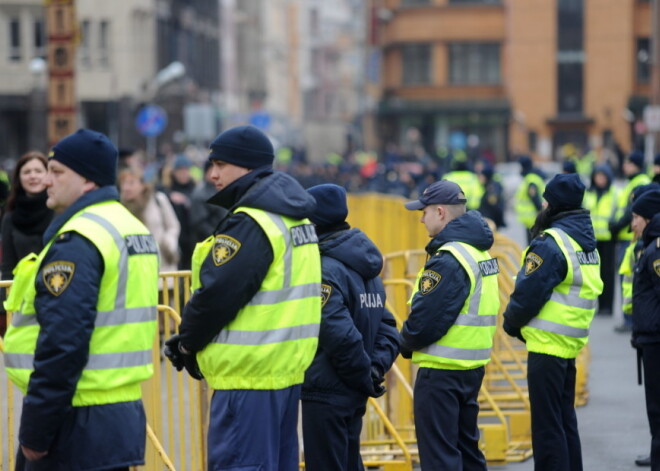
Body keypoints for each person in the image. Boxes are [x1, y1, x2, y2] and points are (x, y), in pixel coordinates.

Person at [164, 125, 322, 471]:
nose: (212, 174)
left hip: (246, 379)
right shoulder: (295, 217)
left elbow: (217, 295)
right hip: (282, 373)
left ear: (248, 167)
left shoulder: (251, 221)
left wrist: (188, 343)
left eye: (221, 164)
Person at [2, 129, 160, 470]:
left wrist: (36, 430)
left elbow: (63, 341)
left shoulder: (79, 238)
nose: (46, 180)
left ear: (87, 180)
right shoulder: (130, 227)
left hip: (75, 419)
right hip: (118, 413)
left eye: (57, 172)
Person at [503, 173, 603, 471]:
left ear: (554, 204)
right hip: (568, 344)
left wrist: (510, 324)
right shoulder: (584, 240)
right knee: (564, 421)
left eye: (546, 198)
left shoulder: (551, 242)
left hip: (547, 346)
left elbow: (528, 293)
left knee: (547, 429)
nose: (542, 203)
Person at [400, 180, 500, 470]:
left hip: (441, 372)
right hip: (470, 368)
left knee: (440, 457)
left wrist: (403, 342)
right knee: (467, 452)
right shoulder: (478, 252)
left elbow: (427, 320)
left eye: (425, 212)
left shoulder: (450, 258)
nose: (421, 218)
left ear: (441, 212)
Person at [301, 183, 400, 471]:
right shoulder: (364, 264)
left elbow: (338, 334)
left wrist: (363, 375)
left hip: (326, 389)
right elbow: (388, 328)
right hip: (354, 386)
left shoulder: (323, 268)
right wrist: (373, 369)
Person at [0, 151, 53, 336]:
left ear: (48, 175)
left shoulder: (60, 211)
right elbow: (7, 265)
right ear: (18, 178)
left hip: (55, 293)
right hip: (23, 303)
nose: (33, 176)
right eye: (27, 171)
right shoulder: (10, 217)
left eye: (38, 170)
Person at [630, 189, 660, 470]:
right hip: (649, 337)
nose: (633, 224)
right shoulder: (650, 247)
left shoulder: (656, 251)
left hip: (656, 340)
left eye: (637, 217)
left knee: (658, 408)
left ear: (649, 219)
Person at [610, 151, 651, 332]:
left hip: (631, 237)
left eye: (628, 163)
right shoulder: (633, 182)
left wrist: (617, 226)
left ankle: (630, 319)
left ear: (636, 164)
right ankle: (629, 318)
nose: (624, 166)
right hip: (628, 237)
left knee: (629, 278)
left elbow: (631, 212)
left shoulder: (639, 183)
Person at [119, 166, 180, 275]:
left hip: (164, 267)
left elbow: (173, 226)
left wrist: (169, 242)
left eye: (131, 183)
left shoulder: (158, 200)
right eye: (123, 184)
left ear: (142, 185)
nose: (126, 188)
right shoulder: (120, 208)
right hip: (136, 270)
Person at [582, 165, 618, 315]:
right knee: (593, 273)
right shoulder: (589, 194)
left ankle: (607, 306)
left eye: (603, 176)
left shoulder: (613, 194)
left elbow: (618, 213)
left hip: (608, 239)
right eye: (597, 176)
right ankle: (597, 304)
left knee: (608, 274)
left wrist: (613, 227)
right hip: (592, 239)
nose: (600, 179)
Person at [189, 160, 227, 243]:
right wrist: (218, 237)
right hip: (209, 242)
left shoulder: (220, 189)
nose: (215, 173)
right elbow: (200, 224)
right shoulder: (200, 194)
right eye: (212, 169)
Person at [515, 155, 546, 244]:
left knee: (534, 245)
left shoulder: (531, 179)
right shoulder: (531, 178)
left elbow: (535, 198)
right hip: (532, 220)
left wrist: (541, 215)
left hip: (533, 219)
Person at [478, 164, 506, 229]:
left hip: (491, 221)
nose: (479, 178)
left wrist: (499, 221)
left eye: (481, 176)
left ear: (486, 177)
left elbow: (494, 206)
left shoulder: (492, 188)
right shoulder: (487, 187)